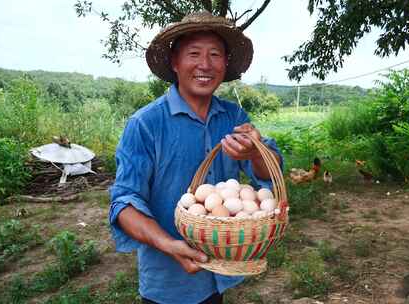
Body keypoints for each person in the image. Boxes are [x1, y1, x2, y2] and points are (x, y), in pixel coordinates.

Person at [109, 12, 282, 304]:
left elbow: (268, 175)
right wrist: (169, 245)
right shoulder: (146, 124)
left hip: (221, 267)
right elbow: (124, 202)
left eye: (215, 54)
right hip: (168, 283)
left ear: (225, 64)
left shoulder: (233, 117)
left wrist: (255, 153)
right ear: (175, 63)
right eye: (194, 54)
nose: (205, 64)